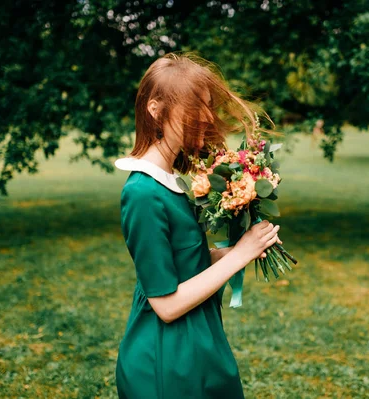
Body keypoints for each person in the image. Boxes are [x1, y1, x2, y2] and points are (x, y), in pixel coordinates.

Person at [114, 52, 281, 399]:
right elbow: (167, 305)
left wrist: (241, 249)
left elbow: (185, 260)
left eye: (207, 106)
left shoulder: (171, 181)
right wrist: (240, 255)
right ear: (155, 109)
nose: (206, 117)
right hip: (168, 359)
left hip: (201, 340)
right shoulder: (143, 193)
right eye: (195, 106)